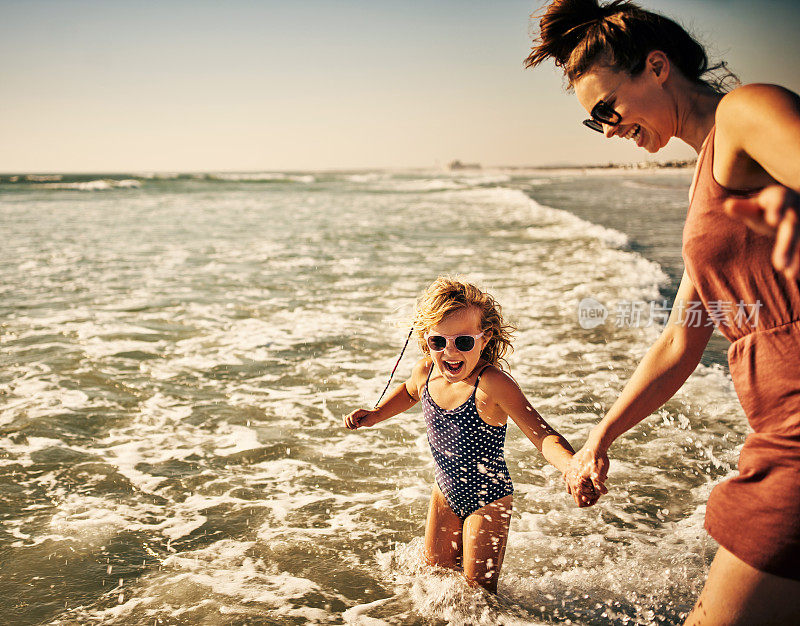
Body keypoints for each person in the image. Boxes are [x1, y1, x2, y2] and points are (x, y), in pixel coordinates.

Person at [525, 0, 800, 623]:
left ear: (656, 67)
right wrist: (601, 437)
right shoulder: (709, 174)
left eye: (606, 109)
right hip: (775, 430)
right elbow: (681, 339)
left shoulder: (744, 111)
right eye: (595, 125)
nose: (609, 128)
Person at [343, 276, 580, 593]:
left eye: (463, 342)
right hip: (445, 492)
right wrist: (375, 415)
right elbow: (409, 393)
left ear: (485, 338)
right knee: (432, 583)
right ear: (426, 339)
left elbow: (542, 435)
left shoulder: (492, 385)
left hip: (488, 499)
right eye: (438, 342)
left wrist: (572, 467)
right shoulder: (425, 371)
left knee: (477, 595)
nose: (450, 352)